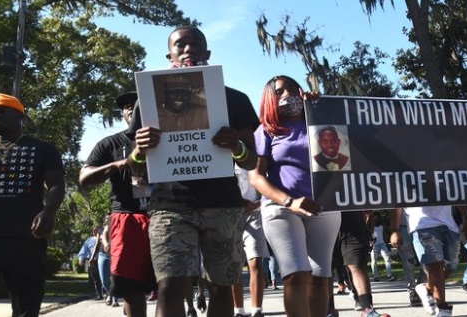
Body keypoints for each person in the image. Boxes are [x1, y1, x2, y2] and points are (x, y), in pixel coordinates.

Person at [128, 25, 259, 317]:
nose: (189, 50)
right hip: (171, 206)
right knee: (171, 287)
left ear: (207, 53)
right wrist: (140, 149)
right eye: (181, 45)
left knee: (221, 286)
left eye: (196, 44)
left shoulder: (235, 99)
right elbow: (136, 169)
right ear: (169, 54)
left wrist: (236, 146)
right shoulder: (147, 102)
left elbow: (251, 161)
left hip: (223, 205)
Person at [248, 75, 341, 317]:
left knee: (321, 278)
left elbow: (341, 160)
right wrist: (289, 201)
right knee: (297, 275)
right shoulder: (265, 131)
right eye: (279, 91)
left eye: (292, 88)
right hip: (282, 209)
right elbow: (256, 177)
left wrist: (319, 108)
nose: (288, 94)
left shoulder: (321, 123)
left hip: (324, 208)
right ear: (270, 99)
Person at [79, 91, 155, 317]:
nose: (132, 108)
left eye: (138, 104)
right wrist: (120, 164)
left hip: (164, 215)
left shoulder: (169, 138)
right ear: (122, 114)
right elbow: (84, 177)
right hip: (126, 218)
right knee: (131, 289)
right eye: (126, 106)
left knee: (170, 286)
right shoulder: (110, 143)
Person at [0, 93, 65, 317]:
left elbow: (56, 184)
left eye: (2, 111)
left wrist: (49, 210)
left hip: (26, 238)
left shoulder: (43, 149)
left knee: (26, 306)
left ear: (20, 116)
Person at [391, 206, 467, 317]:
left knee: (450, 267)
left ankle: (426, 288)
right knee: (435, 265)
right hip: (422, 225)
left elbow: (455, 193)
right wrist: (395, 230)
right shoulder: (404, 187)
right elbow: (397, 203)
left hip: (449, 226)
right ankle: (442, 309)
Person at [335, 211, 391, 317]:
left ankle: (368, 310)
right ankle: (327, 311)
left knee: (357, 264)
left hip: (353, 220)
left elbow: (369, 212)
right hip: (320, 218)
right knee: (323, 269)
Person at [232, 165, 269, 317]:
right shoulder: (224, 153)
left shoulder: (254, 148)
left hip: (255, 212)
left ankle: (256, 310)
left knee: (256, 261)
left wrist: (260, 202)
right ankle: (238, 311)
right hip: (231, 212)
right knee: (235, 265)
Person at [395, 213, 420, 306]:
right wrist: (395, 231)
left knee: (427, 260)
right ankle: (413, 291)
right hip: (404, 228)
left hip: (422, 226)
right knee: (408, 261)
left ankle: (423, 288)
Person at [78, 226, 105, 300]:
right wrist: (81, 259)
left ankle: (107, 293)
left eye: (97, 230)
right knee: (96, 279)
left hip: (103, 260)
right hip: (93, 261)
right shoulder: (88, 241)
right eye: (94, 230)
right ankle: (99, 294)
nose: (95, 232)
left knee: (104, 277)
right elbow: (84, 250)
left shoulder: (104, 239)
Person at [368, 216, 395, 282]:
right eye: (374, 218)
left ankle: (389, 275)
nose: (376, 219)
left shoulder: (382, 226)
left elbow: (384, 234)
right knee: (374, 261)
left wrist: (387, 243)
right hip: (374, 244)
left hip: (382, 244)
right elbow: (369, 234)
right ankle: (375, 276)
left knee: (387, 259)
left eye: (377, 217)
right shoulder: (371, 226)